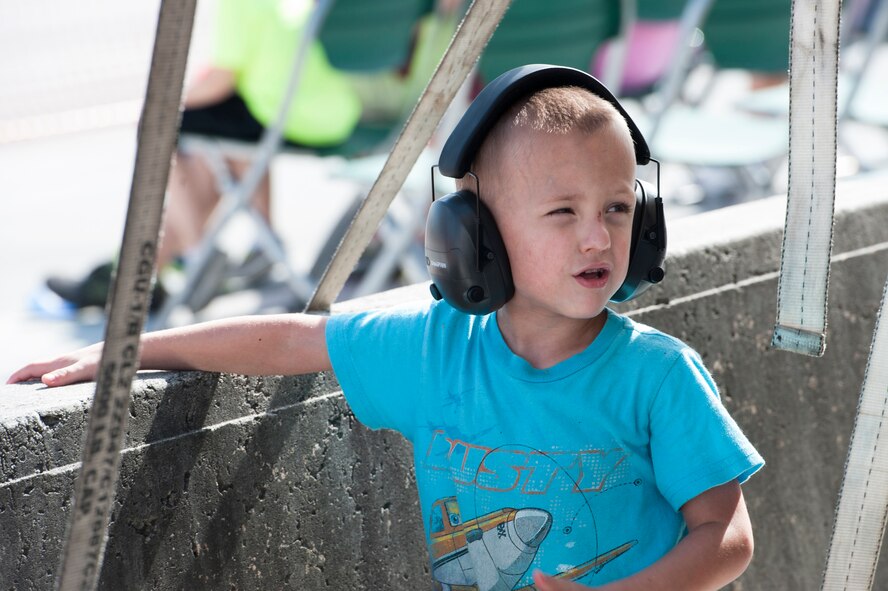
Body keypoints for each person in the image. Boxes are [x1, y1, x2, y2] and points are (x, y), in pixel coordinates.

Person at [9, 65, 764, 590]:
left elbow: (727, 536)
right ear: (476, 234)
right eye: (562, 213)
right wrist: (131, 349)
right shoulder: (434, 350)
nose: (597, 237)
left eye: (619, 209)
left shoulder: (659, 376)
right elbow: (296, 339)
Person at [45, 0, 364, 311]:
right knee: (211, 148)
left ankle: (190, 256)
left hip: (281, 114)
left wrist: (165, 100)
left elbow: (221, 80)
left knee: (158, 122)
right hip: (336, 109)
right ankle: (250, 248)